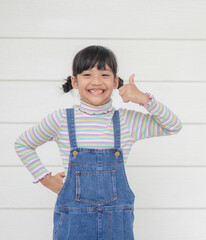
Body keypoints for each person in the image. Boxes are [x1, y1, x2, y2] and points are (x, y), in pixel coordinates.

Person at [14, 45, 183, 239]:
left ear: (115, 82)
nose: (96, 81)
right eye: (87, 74)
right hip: (73, 224)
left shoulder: (127, 121)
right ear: (75, 81)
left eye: (104, 75)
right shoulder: (61, 119)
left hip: (117, 225)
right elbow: (23, 144)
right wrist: (45, 179)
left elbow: (173, 126)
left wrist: (145, 100)